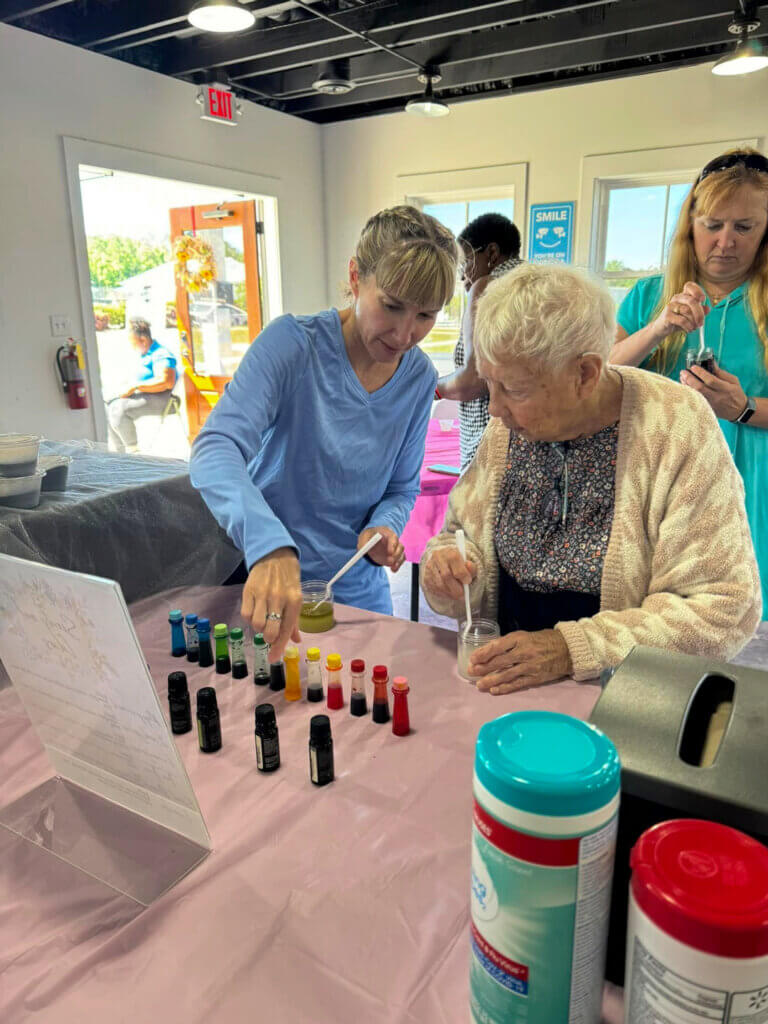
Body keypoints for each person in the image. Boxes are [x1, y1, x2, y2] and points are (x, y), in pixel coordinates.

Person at [421, 263, 761, 695]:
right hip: (506, 681)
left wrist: (571, 647)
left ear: (584, 374)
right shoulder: (508, 427)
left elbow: (723, 607)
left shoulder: (676, 424)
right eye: (490, 385)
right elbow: (459, 536)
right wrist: (447, 568)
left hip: (624, 697)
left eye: (515, 390)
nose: (494, 410)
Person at [190, 205, 458, 658]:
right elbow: (214, 448)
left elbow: (401, 487)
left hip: (357, 591)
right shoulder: (294, 346)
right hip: (271, 584)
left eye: (426, 316)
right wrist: (268, 544)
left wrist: (383, 526)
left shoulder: (417, 377)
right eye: (391, 306)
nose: (404, 333)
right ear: (356, 277)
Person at [611, 148, 768, 612]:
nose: (726, 241)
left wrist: (743, 408)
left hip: (752, 483)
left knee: (740, 621)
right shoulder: (647, 295)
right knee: (654, 616)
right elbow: (600, 377)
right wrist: (657, 328)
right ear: (691, 224)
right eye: (713, 224)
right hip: (659, 478)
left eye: (745, 227)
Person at [437, 213, 522, 468]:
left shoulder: (487, 286)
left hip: (492, 447)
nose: (463, 275)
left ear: (492, 253)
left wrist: (429, 388)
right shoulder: (539, 286)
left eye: (466, 262)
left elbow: (473, 380)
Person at [106, 318, 178, 453]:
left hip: (163, 398)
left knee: (119, 409)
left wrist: (135, 387)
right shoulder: (145, 354)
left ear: (143, 340)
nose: (132, 347)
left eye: (133, 343)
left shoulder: (161, 354)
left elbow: (166, 382)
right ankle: (119, 454)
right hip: (146, 396)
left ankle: (133, 452)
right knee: (108, 405)